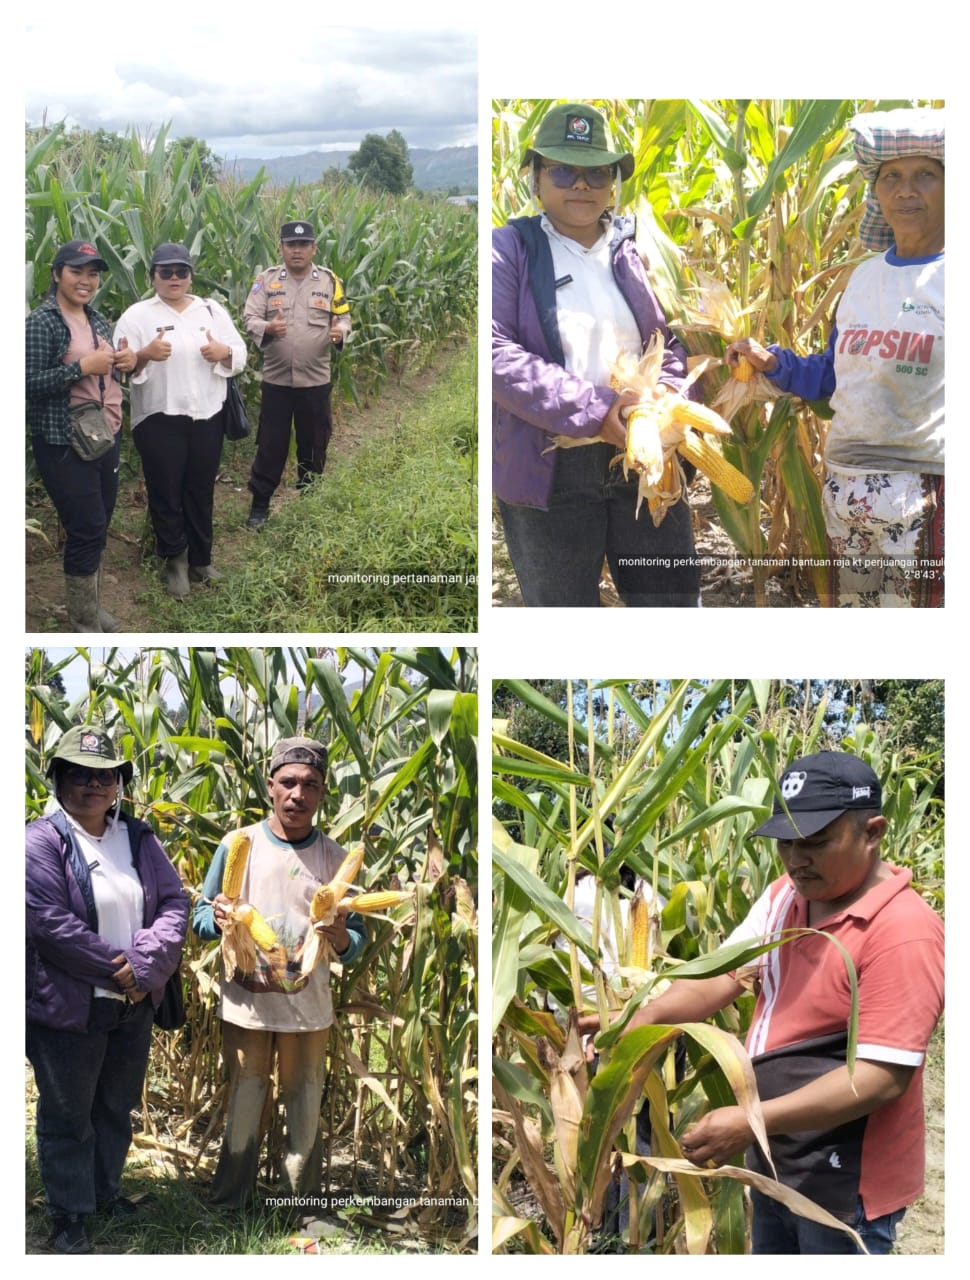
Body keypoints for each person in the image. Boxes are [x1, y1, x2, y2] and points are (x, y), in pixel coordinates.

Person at [583, 750, 944, 1254]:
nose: (797, 858)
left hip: (841, 1187)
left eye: (815, 842)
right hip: (775, 1162)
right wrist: (634, 1022)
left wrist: (751, 1120)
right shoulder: (785, 896)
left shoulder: (903, 932)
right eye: (785, 842)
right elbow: (724, 976)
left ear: (874, 831)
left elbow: (881, 1077)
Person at [728, 108, 944, 607]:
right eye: (892, 177)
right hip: (845, 488)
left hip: (927, 490)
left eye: (924, 176)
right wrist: (772, 363)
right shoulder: (863, 277)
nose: (905, 190)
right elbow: (833, 374)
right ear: (877, 192)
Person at [492, 102, 700, 607]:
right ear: (536, 178)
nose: (579, 185)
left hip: (648, 458)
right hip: (552, 468)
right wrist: (598, 410)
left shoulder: (641, 249)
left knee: (669, 602)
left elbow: (671, 342)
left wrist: (666, 400)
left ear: (614, 183)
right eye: (562, 170)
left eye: (595, 173)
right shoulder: (509, 249)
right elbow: (496, 355)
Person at [26, 725, 189, 1254]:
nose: (93, 785)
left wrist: (144, 970)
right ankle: (68, 1217)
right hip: (71, 1007)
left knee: (115, 1106)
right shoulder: (39, 842)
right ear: (58, 779)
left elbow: (174, 904)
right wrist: (119, 969)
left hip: (134, 1004)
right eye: (79, 774)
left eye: (105, 775)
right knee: (68, 1114)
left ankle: (102, 1192)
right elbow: (46, 920)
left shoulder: (138, 837)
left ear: (119, 783)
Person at [192, 737, 367, 1210]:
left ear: (323, 792)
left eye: (310, 785)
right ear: (270, 786)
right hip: (248, 1003)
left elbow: (357, 938)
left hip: (307, 1007)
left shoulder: (335, 857)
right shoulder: (237, 845)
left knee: (305, 1100)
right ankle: (231, 1201)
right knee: (245, 1098)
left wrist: (341, 938)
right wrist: (223, 920)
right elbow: (201, 920)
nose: (298, 794)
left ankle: (300, 1205)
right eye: (288, 782)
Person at [113, 243, 247, 597]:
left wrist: (225, 353)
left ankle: (202, 558)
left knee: (200, 489)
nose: (174, 278)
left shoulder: (212, 310)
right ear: (152, 275)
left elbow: (241, 351)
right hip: (159, 417)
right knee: (166, 491)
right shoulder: (136, 315)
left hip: (209, 413)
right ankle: (175, 560)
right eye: (165, 272)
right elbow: (122, 364)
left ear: (191, 275)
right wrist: (146, 354)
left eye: (181, 271)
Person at [26, 240, 137, 630]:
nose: (86, 281)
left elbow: (109, 374)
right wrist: (80, 368)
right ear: (57, 274)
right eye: (77, 271)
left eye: (93, 274)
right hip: (63, 442)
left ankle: (91, 608)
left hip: (104, 435)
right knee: (86, 526)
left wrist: (125, 362)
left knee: (100, 521)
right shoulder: (42, 323)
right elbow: (24, 383)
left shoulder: (98, 320)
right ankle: (82, 618)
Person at [243, 222, 352, 529]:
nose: (297, 250)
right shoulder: (266, 281)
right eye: (291, 244)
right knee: (270, 444)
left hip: (315, 381)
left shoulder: (330, 281)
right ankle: (260, 506)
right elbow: (250, 315)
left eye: (303, 244)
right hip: (277, 381)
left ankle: (310, 502)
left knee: (314, 442)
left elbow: (343, 316)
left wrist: (340, 332)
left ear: (313, 248)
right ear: (281, 248)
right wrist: (267, 328)